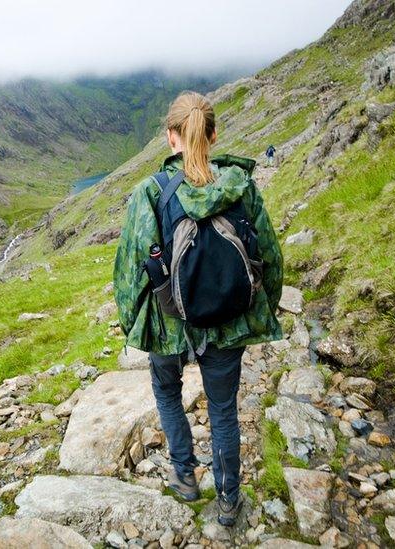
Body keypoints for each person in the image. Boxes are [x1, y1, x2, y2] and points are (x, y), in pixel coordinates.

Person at [113, 92, 284, 526]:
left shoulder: (149, 193)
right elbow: (270, 256)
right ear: (213, 134)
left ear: (172, 137)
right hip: (229, 319)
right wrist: (265, 311)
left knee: (168, 392)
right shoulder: (240, 187)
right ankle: (229, 503)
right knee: (223, 409)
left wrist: (133, 324)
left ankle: (185, 478)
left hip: (169, 322)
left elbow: (131, 270)